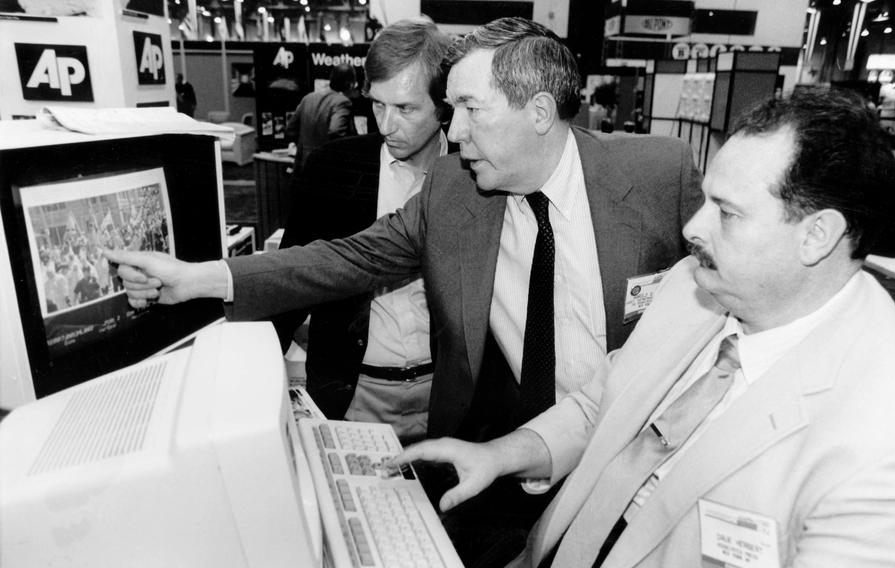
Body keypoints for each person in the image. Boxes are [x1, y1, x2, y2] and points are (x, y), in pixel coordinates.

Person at [107, 16, 700, 561]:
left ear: (539, 112)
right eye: (449, 108)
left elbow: (718, 316)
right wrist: (198, 277)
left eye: (469, 107)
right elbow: (346, 258)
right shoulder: (454, 190)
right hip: (505, 463)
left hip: (636, 467)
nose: (455, 129)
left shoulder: (657, 174)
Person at [393, 87, 895, 567]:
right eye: (705, 199)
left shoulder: (886, 438)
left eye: (727, 213)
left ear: (818, 235)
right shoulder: (694, 286)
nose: (692, 228)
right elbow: (607, 402)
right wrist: (499, 455)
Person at [273, 19, 454, 443]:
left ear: (443, 105)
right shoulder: (332, 170)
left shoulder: (475, 172)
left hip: (448, 399)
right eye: (377, 105)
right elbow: (291, 283)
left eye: (406, 108)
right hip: (353, 398)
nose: (386, 124)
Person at [286, 62, 358, 173]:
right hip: (327, 170)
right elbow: (336, 131)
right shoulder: (342, 102)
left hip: (303, 167)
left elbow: (290, 129)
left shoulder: (308, 98)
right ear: (349, 84)